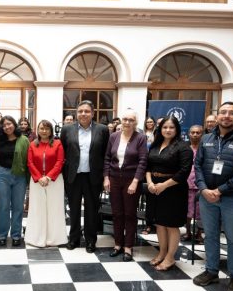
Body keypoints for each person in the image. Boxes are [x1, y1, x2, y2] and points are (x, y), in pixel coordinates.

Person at [194, 101, 233, 291]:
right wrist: (203, 189)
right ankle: (211, 271)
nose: (227, 116)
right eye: (223, 112)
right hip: (207, 196)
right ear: (217, 116)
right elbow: (198, 166)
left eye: (232, 113)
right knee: (210, 235)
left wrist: (220, 190)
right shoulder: (206, 139)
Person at [60, 100, 110, 253]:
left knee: (91, 210)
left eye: (87, 111)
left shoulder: (102, 130)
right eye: (80, 111)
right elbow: (62, 153)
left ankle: (90, 240)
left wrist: (105, 176)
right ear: (76, 113)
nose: (83, 114)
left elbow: (106, 154)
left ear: (93, 113)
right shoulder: (67, 129)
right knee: (74, 209)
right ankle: (74, 238)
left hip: (93, 176)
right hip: (73, 176)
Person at [146, 117, 193, 270]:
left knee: (171, 225)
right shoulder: (155, 144)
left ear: (177, 129)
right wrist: (150, 183)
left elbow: (184, 172)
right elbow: (148, 166)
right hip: (155, 188)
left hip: (174, 189)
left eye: (171, 127)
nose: (167, 130)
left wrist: (164, 185)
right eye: (164, 127)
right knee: (160, 223)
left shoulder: (183, 147)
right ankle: (162, 253)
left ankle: (170, 257)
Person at [103, 109, 148, 261]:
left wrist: (135, 181)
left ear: (136, 122)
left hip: (131, 180)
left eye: (131, 120)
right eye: (125, 119)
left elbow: (143, 161)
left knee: (129, 214)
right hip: (114, 179)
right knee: (117, 214)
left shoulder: (140, 138)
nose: (127, 122)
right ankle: (117, 244)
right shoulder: (114, 136)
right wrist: (106, 178)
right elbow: (107, 158)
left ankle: (128, 246)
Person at [25, 120, 67, 247]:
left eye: (47, 129)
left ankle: (54, 239)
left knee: (55, 209)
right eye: (41, 128)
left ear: (51, 131)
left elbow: (60, 161)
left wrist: (48, 177)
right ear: (37, 130)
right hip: (37, 181)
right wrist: (39, 177)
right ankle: (36, 238)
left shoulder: (58, 144)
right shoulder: (32, 144)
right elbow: (30, 163)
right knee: (37, 209)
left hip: (55, 180)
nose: (44, 131)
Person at [0, 115, 30, 246]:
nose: (7, 127)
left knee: (18, 206)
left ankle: (16, 234)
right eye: (4, 125)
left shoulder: (24, 140)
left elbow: (28, 160)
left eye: (9, 124)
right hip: (2, 174)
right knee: (3, 206)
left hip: (19, 175)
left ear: (14, 124)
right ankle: (2, 234)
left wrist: (29, 179)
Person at [181, 125, 204, 243]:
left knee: (200, 211)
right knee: (187, 209)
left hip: (201, 184)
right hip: (186, 183)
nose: (195, 135)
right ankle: (188, 232)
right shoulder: (185, 148)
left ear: (202, 134)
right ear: (189, 134)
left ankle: (199, 233)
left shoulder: (205, 148)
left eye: (198, 132)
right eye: (193, 132)